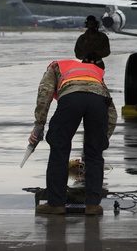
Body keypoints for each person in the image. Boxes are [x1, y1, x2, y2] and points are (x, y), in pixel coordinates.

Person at [32, 56, 118, 215]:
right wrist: (102, 139)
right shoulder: (93, 71)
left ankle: (56, 204)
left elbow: (45, 93)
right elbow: (111, 109)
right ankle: (93, 205)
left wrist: (39, 124)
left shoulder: (55, 67)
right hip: (98, 102)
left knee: (59, 149)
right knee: (94, 153)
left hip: (72, 98)